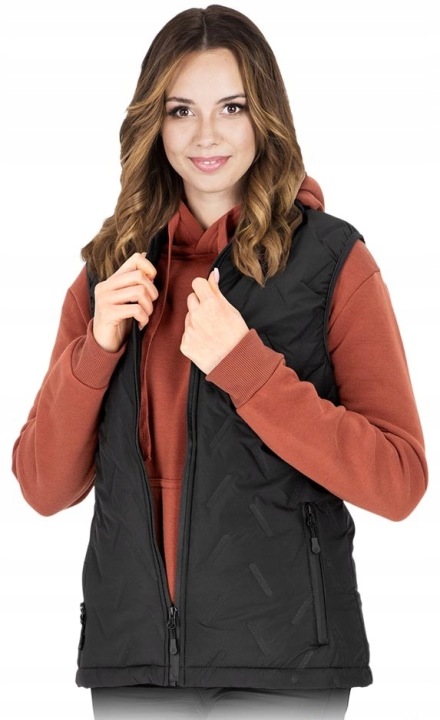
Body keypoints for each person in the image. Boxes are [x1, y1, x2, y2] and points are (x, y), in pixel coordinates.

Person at [11, 4, 428, 720]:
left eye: (231, 107)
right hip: (133, 664)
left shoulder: (334, 263)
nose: (206, 135)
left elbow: (399, 480)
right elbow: (44, 488)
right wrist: (96, 350)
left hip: (286, 666)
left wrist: (246, 367)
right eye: (182, 110)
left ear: (265, 115)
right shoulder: (110, 276)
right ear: (155, 123)